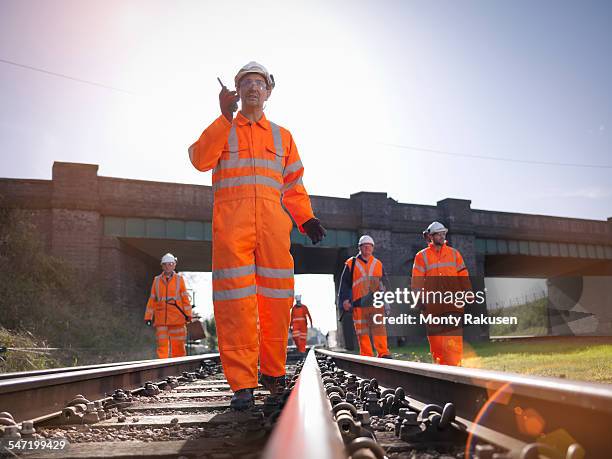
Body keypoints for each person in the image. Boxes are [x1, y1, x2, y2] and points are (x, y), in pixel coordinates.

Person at [188, 61, 326, 410]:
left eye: (259, 83)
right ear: (236, 92)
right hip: (232, 228)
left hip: (273, 229)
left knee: (277, 302)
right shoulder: (224, 129)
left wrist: (306, 218)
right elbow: (199, 160)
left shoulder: (283, 137)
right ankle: (243, 384)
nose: (252, 88)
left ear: (268, 92)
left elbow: (293, 185)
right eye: (246, 83)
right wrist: (222, 117)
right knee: (236, 305)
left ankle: (274, 372)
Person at [412, 222, 471, 366]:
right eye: (439, 234)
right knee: (436, 341)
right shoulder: (422, 256)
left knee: (453, 339)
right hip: (431, 306)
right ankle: (440, 370)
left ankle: (455, 368)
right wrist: (418, 299)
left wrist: (468, 293)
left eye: (444, 233)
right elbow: (417, 279)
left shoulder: (454, 254)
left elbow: (463, 275)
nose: (442, 236)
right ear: (431, 236)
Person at [338, 235, 391, 358]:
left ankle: (383, 353)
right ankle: (367, 355)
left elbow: (386, 282)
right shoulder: (351, 263)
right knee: (362, 331)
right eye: (364, 246)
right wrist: (344, 300)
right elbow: (344, 283)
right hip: (358, 303)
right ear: (359, 248)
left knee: (379, 329)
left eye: (369, 246)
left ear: (373, 248)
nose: (367, 248)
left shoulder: (378, 264)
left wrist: (387, 295)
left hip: (376, 302)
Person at [144, 253, 192, 359]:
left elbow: (185, 299)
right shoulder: (156, 280)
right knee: (162, 346)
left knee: (178, 346)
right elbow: (152, 299)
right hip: (161, 319)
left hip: (177, 318)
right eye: (165, 264)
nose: (168, 266)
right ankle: (163, 367)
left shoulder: (179, 280)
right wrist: (148, 316)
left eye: (170, 264)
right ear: (162, 266)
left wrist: (188, 315)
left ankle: (178, 366)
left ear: (174, 265)